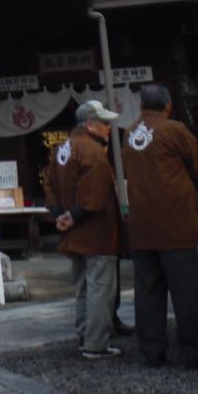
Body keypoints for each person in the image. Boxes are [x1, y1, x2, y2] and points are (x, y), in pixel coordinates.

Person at [121, 84, 198, 368]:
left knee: (148, 290)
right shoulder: (174, 130)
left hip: (141, 223)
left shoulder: (129, 133)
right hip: (175, 222)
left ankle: (152, 351)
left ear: (142, 105)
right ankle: (193, 351)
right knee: (185, 290)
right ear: (168, 104)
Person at [45, 99, 122, 360]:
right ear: (90, 125)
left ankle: (84, 335)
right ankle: (96, 343)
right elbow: (95, 193)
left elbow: (50, 185)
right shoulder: (92, 150)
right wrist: (74, 215)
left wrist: (59, 215)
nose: (109, 128)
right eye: (104, 123)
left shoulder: (61, 148)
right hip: (95, 232)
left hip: (72, 232)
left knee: (83, 288)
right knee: (100, 288)